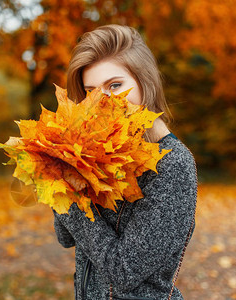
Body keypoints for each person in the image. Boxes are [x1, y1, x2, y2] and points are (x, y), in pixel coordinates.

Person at [52, 24, 198, 300]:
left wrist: (68, 193)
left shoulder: (173, 165)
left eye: (115, 85)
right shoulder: (101, 153)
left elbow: (123, 272)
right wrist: (60, 168)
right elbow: (66, 238)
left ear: (146, 82)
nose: (103, 102)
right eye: (91, 91)